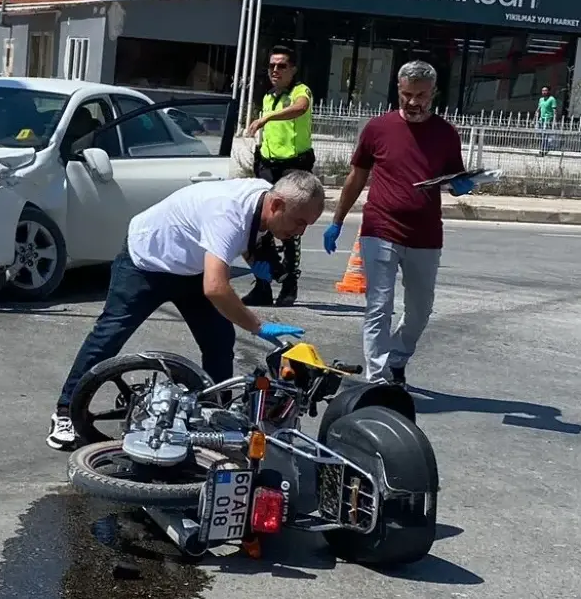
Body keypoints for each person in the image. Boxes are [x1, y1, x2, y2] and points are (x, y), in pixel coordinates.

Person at [47, 170, 326, 450]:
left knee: (219, 340)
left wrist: (254, 258)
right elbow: (216, 287)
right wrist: (257, 326)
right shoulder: (227, 212)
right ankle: (65, 412)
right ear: (276, 205)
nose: (300, 232)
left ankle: (218, 414)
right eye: (299, 222)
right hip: (147, 262)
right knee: (108, 337)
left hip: (192, 268)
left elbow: (245, 236)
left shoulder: (264, 197)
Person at [322, 60, 475, 387]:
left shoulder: (446, 134)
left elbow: (454, 178)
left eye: (420, 95)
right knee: (379, 305)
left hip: (426, 235)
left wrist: (461, 186)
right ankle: (377, 380)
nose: (413, 102)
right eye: (407, 94)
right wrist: (337, 219)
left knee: (420, 309)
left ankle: (397, 358)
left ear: (433, 93)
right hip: (380, 229)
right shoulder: (378, 129)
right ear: (398, 91)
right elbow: (357, 176)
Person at [241, 45, 315, 309]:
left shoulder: (300, 91)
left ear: (292, 69)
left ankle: (289, 285)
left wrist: (266, 118)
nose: (275, 70)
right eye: (272, 65)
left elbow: (299, 108)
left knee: (289, 226)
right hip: (268, 165)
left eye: (281, 66)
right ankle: (263, 284)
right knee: (260, 224)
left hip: (293, 167)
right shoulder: (269, 96)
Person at [535, 85, 557, 156]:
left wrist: (555, 120)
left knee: (545, 135)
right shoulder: (541, 99)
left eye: (545, 90)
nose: (544, 92)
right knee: (541, 135)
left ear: (548, 91)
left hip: (548, 118)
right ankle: (543, 148)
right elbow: (539, 108)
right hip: (541, 119)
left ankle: (544, 150)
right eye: (543, 90)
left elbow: (554, 110)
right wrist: (534, 118)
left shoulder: (552, 99)